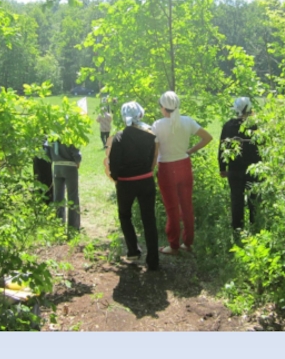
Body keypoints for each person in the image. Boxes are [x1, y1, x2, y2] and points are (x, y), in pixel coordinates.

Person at [152, 91, 213, 255]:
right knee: (187, 206)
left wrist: (151, 169)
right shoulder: (187, 121)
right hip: (184, 165)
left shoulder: (157, 125)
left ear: (163, 107)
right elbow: (207, 137)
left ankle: (173, 245)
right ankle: (188, 242)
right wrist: (190, 151)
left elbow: (155, 152)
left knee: (172, 208)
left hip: (166, 168)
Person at [105, 101, 160, 271]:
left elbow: (114, 163)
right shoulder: (150, 135)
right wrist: (147, 172)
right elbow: (152, 159)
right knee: (149, 219)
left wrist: (116, 179)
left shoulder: (119, 137)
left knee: (125, 216)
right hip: (146, 180)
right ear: (140, 114)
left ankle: (133, 251)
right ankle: (153, 260)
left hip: (126, 183)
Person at [219, 97, 262, 232]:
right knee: (254, 199)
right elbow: (263, 145)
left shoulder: (228, 126)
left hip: (234, 169)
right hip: (254, 169)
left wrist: (222, 168)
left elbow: (222, 148)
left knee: (236, 199)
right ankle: (255, 227)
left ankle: (237, 229)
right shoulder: (255, 125)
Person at [49, 140, 82, 231]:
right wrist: (78, 160)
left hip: (57, 167)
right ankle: (73, 227)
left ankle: (59, 225)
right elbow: (76, 153)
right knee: (73, 196)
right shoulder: (69, 136)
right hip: (70, 167)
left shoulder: (53, 136)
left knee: (58, 197)